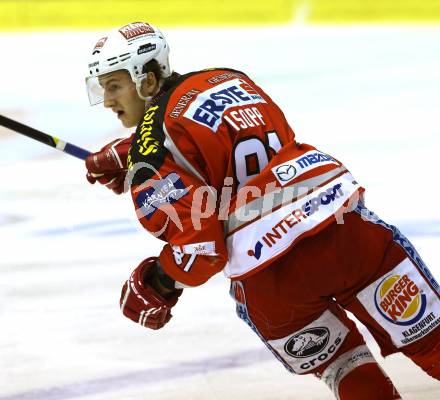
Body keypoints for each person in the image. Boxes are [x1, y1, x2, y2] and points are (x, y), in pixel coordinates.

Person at [84, 22, 440, 399]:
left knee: (341, 363)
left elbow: (200, 250)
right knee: (432, 342)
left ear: (149, 80)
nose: (107, 100)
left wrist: (157, 282)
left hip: (271, 279)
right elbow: (222, 135)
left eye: (114, 86)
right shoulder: (230, 79)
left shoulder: (148, 156)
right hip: (341, 230)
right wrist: (137, 150)